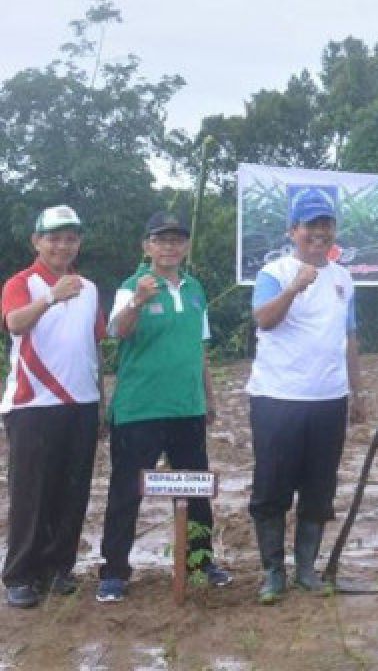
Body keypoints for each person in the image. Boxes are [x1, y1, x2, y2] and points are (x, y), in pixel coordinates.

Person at [97, 212, 232, 603]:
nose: (170, 246)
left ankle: (201, 561)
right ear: (147, 247)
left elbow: (200, 348)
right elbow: (116, 332)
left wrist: (209, 396)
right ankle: (114, 572)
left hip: (187, 408)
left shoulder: (195, 289)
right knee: (126, 491)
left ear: (185, 247)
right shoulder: (131, 286)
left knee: (195, 488)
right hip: (139, 409)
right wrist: (138, 301)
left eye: (177, 240)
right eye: (161, 239)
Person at [246, 188, 364, 604]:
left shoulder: (343, 277)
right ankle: (273, 571)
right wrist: (294, 288)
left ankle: (307, 569)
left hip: (329, 399)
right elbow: (264, 319)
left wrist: (357, 390)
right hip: (277, 398)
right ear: (293, 230)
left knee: (319, 488)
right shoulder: (275, 273)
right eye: (310, 226)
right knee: (272, 487)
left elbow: (349, 337)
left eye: (326, 225)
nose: (319, 233)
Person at [2, 206, 104, 608]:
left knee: (73, 491)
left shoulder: (90, 288)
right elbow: (14, 324)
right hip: (33, 405)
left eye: (71, 237)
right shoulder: (22, 283)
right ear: (37, 241)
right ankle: (20, 575)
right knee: (31, 494)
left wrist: (100, 402)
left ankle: (59, 569)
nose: (63, 245)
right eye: (54, 237)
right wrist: (50, 296)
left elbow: (94, 345)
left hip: (81, 403)